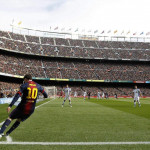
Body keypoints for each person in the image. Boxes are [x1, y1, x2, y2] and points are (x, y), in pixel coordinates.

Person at [0, 74, 48, 138]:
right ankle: (8, 133)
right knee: (19, 120)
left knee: (10, 117)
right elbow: (46, 95)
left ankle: (0, 132)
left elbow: (17, 96)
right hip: (31, 109)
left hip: (22, 106)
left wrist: (10, 105)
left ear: (26, 79)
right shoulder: (38, 85)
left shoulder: (25, 85)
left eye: (24, 80)